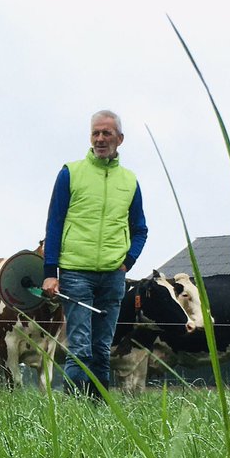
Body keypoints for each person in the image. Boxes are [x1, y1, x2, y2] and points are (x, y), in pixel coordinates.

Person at [41, 109, 148, 398]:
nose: (100, 139)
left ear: (120, 139)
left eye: (106, 133)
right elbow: (54, 223)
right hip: (75, 272)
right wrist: (50, 273)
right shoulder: (70, 173)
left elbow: (140, 229)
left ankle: (98, 408)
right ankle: (77, 410)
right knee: (80, 347)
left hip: (113, 276)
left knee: (102, 348)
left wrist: (127, 262)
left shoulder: (130, 182)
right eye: (95, 133)